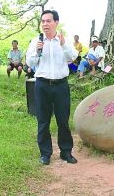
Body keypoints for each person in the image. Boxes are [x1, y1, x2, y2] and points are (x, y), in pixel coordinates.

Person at [26, 10, 78, 165]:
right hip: (42, 84)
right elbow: (30, 63)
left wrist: (63, 46)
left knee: (63, 120)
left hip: (61, 85)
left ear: (56, 22)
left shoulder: (63, 40)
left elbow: (72, 58)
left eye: (48, 21)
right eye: (43, 21)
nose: (45, 24)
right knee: (43, 120)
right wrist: (37, 51)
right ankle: (45, 154)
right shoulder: (36, 41)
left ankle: (66, 152)